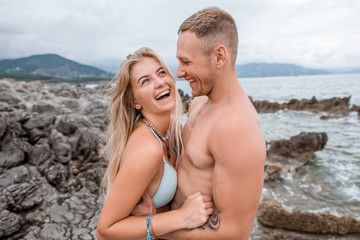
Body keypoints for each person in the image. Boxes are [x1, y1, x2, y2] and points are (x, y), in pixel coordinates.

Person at [163, 7, 267, 239]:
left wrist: (156, 229)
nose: (179, 73)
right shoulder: (199, 103)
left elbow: (234, 231)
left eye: (186, 61)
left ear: (219, 56)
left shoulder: (236, 127)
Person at [96, 47, 214, 240]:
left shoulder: (171, 129)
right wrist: (181, 217)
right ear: (135, 101)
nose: (160, 83)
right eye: (145, 81)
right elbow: (104, 230)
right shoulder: (147, 150)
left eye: (161, 73)